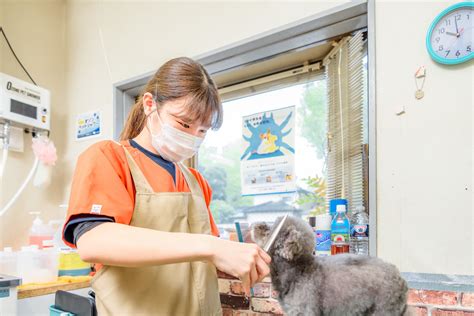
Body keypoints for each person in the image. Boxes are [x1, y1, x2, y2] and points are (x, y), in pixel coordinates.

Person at [62, 57, 271, 316]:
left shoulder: (196, 182)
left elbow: (204, 256)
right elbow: (94, 241)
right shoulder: (109, 158)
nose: (192, 137)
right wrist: (212, 247)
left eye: (202, 131)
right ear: (150, 105)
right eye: (184, 124)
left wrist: (243, 251)